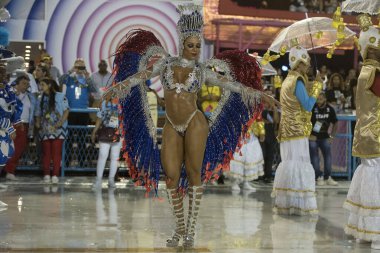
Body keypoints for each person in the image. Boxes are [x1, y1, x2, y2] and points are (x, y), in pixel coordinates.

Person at [104, 4, 273, 248]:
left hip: (195, 121)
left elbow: (231, 85)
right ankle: (179, 228)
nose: (194, 50)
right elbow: (141, 76)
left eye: (197, 46)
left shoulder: (202, 70)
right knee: (171, 176)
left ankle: (191, 231)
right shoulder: (166, 64)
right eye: (190, 45)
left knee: (194, 174)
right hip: (172, 124)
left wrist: (259, 94)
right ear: (182, 43)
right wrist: (116, 88)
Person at [343, 14, 380, 250]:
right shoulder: (375, 74)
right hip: (376, 136)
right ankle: (376, 233)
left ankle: (364, 231)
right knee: (375, 179)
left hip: (365, 135)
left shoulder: (364, 72)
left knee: (368, 176)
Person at [272, 45, 323, 216]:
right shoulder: (298, 80)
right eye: (306, 62)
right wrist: (317, 87)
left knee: (289, 164)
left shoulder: (288, 80)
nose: (308, 65)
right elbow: (308, 105)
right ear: (299, 63)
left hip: (286, 131)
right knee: (299, 163)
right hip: (297, 131)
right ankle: (300, 206)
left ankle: (288, 204)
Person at [35, 78, 69, 184]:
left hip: (58, 129)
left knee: (56, 153)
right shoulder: (40, 98)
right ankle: (46, 174)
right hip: (45, 129)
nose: (41, 87)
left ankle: (55, 175)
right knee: (46, 153)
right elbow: (38, 113)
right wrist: (37, 122)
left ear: (49, 85)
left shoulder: (60, 96)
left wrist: (60, 122)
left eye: (42, 84)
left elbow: (66, 110)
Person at [4, 75, 33, 180]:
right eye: (23, 83)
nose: (26, 86)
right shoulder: (10, 94)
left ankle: (10, 170)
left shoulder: (30, 96)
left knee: (19, 148)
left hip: (24, 125)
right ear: (17, 84)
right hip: (11, 124)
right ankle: (7, 170)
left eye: (27, 84)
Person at [91, 97, 122, 189]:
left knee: (115, 157)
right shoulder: (104, 103)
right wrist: (94, 131)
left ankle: (111, 180)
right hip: (105, 131)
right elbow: (99, 118)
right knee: (102, 155)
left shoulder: (123, 103)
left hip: (118, 132)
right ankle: (98, 180)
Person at [309, 92, 338, 186]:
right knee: (314, 158)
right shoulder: (312, 108)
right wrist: (309, 135)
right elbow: (306, 122)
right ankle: (318, 177)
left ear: (325, 99)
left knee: (328, 157)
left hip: (325, 137)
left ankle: (327, 177)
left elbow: (335, 123)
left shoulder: (330, 109)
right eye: (317, 99)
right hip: (313, 137)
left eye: (320, 99)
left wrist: (332, 136)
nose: (318, 101)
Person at [229, 119, 265, 192]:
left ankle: (246, 182)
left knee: (250, 158)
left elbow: (259, 119)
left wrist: (262, 132)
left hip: (252, 135)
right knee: (239, 157)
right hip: (239, 135)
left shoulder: (256, 107)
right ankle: (235, 182)